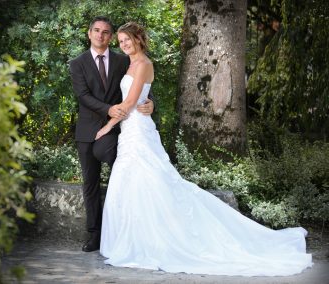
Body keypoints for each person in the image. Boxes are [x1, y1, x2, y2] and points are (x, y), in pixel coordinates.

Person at [95, 22, 313, 276]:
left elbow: (131, 102)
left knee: (151, 180)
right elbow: (140, 96)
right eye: (120, 41)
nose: (124, 44)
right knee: (132, 181)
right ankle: (132, 239)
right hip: (130, 132)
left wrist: (108, 126)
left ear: (139, 39)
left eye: (127, 40)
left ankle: (155, 241)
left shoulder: (143, 64)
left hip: (137, 132)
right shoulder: (128, 64)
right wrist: (147, 104)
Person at [69, 16, 154, 253]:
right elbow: (83, 96)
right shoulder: (78, 63)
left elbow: (138, 89)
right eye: (96, 31)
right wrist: (107, 110)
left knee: (125, 176)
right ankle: (95, 235)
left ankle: (127, 230)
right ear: (89, 34)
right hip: (87, 130)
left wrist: (151, 104)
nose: (100, 35)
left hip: (118, 129)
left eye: (106, 32)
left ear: (110, 37)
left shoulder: (122, 60)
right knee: (91, 184)